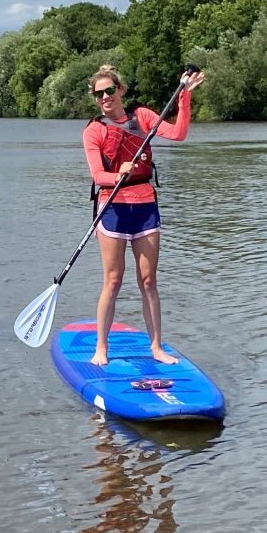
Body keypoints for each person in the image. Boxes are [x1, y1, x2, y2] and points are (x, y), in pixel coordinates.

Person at [82, 65, 204, 365]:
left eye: (110, 91)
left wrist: (184, 97)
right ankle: (101, 348)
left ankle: (157, 347)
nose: (105, 98)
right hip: (113, 209)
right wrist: (116, 174)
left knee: (149, 281)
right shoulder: (93, 130)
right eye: (99, 94)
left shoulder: (143, 117)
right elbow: (98, 175)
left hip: (145, 206)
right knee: (113, 280)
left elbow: (178, 134)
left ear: (120, 90)